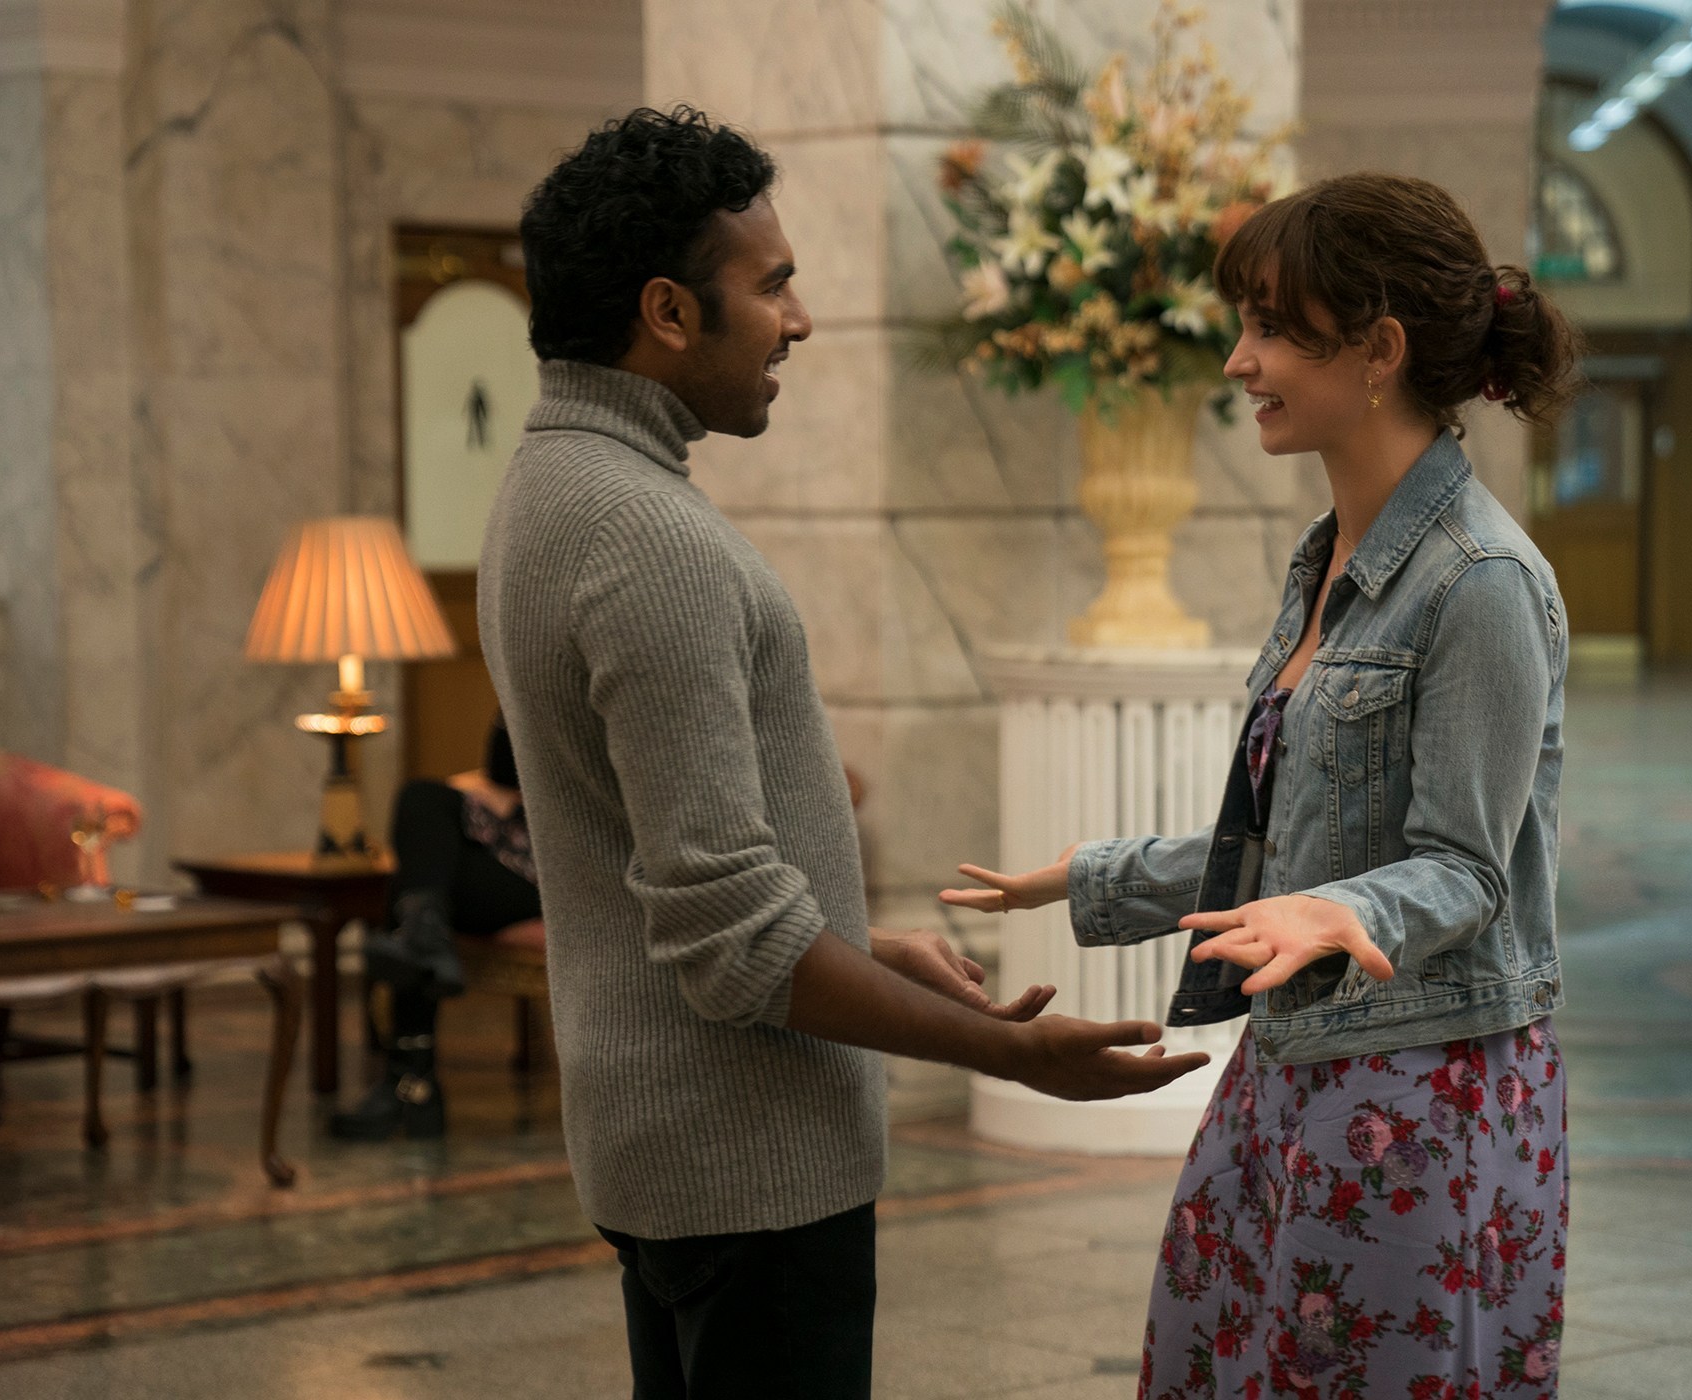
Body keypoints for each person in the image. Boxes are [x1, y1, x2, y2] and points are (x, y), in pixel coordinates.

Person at [480, 106, 1209, 1400]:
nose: (800, 321)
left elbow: (668, 868)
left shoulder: (548, 489)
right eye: (772, 285)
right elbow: (733, 938)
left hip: (667, 1150)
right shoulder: (649, 538)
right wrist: (1012, 1054)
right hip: (748, 1160)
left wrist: (861, 943)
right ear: (667, 311)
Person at [943, 173, 1581, 1399]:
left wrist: (1340, 912)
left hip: (1419, 1082)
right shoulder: (1326, 557)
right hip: (1293, 1056)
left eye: (1273, 328)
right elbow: (1290, 841)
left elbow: (1464, 868)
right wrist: (1087, 877)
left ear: (1378, 351)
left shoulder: (1482, 579)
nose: (1238, 361)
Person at [329, 711, 539, 1141]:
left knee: (415, 891)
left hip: (561, 867)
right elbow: (502, 765)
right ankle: (424, 938)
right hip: (511, 837)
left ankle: (410, 1081)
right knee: (423, 795)